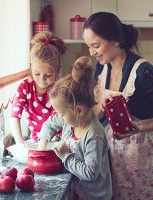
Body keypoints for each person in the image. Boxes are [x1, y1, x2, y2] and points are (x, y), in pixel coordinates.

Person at [83, 12, 153, 200]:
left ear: (115, 40)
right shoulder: (102, 68)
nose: (92, 53)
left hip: (144, 154)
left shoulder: (144, 72)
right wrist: (99, 107)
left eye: (96, 46)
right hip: (113, 156)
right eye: (89, 47)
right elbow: (97, 113)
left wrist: (139, 127)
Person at [37, 56, 113, 200]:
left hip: (94, 196)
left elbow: (90, 173)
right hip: (77, 192)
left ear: (79, 110)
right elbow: (49, 124)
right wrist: (43, 143)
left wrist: (65, 155)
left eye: (61, 113)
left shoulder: (94, 135)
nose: (60, 117)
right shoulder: (70, 120)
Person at [10, 31, 66, 144]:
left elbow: (61, 120)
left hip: (60, 142)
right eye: (36, 74)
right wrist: (20, 143)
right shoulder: (24, 87)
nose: (41, 79)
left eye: (48, 75)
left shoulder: (61, 88)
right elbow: (15, 116)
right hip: (36, 141)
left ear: (58, 69)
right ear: (31, 68)